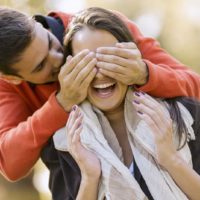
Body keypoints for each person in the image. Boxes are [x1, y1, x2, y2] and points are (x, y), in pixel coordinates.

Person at [0, 4, 200, 189]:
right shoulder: (8, 87)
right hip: (80, 174)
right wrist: (62, 103)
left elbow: (195, 86)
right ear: (12, 78)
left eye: (51, 42)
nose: (59, 58)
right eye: (41, 66)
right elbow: (10, 164)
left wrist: (145, 73)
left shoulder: (98, 29)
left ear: (37, 23)